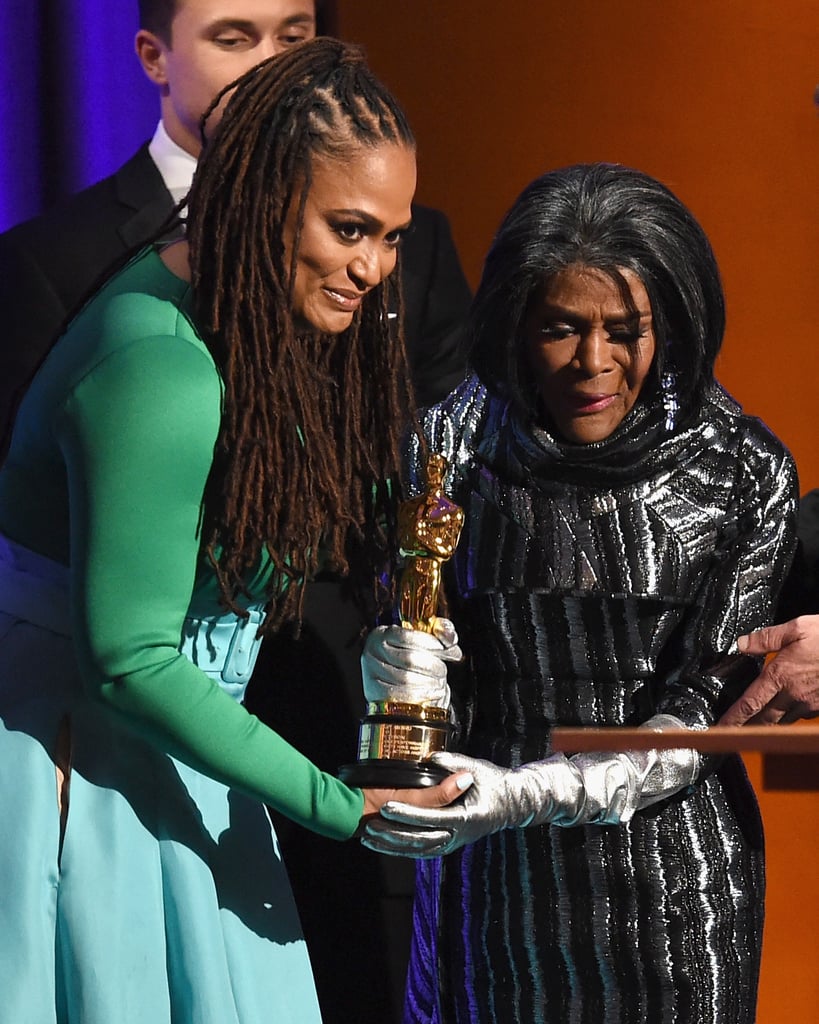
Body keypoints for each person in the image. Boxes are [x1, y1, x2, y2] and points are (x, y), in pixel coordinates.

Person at [0, 39, 468, 1024]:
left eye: (391, 237)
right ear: (263, 198)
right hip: (81, 779)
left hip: (175, 762)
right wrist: (339, 802)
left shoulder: (240, 315)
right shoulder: (159, 366)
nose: (375, 269)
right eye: (350, 229)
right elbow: (129, 656)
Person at [361, 163, 798, 1023]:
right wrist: (405, 705)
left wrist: (516, 796)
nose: (594, 364)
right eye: (561, 329)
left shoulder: (743, 470)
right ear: (516, 324)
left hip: (674, 886)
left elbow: (704, 716)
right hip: (487, 878)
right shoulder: (448, 443)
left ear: (668, 327)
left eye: (624, 331)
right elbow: (413, 626)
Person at [0, 0, 471, 436]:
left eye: (293, 38)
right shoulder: (49, 262)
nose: (274, 66)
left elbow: (449, 449)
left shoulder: (419, 242)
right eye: (233, 40)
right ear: (153, 57)